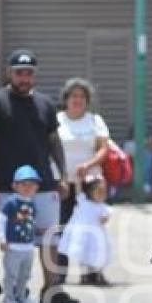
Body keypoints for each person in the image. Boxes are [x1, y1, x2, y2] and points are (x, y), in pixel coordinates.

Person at [0, 49, 79, 303]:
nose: (24, 77)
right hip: (9, 188)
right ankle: (14, 291)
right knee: (11, 241)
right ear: (9, 73)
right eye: (19, 73)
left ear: (35, 75)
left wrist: (63, 176)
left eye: (29, 73)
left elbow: (54, 143)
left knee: (50, 239)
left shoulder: (45, 104)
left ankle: (51, 289)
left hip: (44, 186)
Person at [56, 78, 110, 281]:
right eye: (73, 96)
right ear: (66, 99)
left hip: (89, 184)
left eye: (81, 96)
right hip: (64, 183)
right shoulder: (58, 120)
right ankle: (59, 274)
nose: (77, 100)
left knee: (92, 229)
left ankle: (91, 271)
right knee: (62, 227)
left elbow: (104, 148)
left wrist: (88, 165)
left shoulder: (95, 121)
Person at [0, 165, 40, 303]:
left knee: (25, 274)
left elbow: (31, 223)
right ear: (15, 186)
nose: (28, 188)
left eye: (31, 185)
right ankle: (8, 298)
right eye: (23, 184)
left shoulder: (32, 204)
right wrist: (2, 239)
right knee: (11, 274)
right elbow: (0, 221)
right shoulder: (11, 202)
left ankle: (22, 296)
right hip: (13, 246)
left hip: (28, 246)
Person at [58, 175, 112, 286]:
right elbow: (78, 190)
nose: (102, 194)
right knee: (83, 256)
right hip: (84, 236)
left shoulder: (102, 206)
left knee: (97, 255)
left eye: (103, 192)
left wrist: (104, 218)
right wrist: (80, 178)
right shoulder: (83, 202)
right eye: (98, 191)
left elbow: (105, 216)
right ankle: (84, 275)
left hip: (97, 237)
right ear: (89, 192)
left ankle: (97, 274)